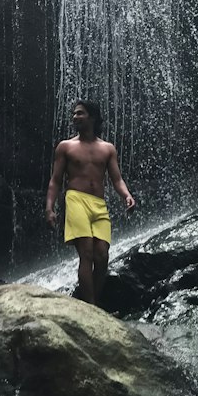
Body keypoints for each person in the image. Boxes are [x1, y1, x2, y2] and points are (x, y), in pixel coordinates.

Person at [44, 100, 135, 305]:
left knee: (102, 255)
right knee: (86, 252)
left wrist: (126, 195)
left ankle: (93, 302)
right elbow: (56, 180)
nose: (75, 117)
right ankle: (92, 307)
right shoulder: (66, 147)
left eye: (80, 114)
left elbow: (116, 179)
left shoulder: (107, 148)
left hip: (98, 204)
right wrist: (49, 208)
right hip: (76, 199)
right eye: (74, 114)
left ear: (92, 117)